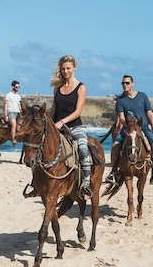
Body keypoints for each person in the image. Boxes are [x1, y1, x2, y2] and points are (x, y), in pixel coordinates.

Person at [105, 75, 153, 184]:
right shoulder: (121, 101)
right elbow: (121, 117)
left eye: (127, 83)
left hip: (143, 127)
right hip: (128, 128)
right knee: (115, 145)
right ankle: (113, 172)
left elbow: (150, 113)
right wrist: (127, 125)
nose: (125, 85)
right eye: (123, 83)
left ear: (132, 84)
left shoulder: (142, 96)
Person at [49, 55, 92, 198]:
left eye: (68, 68)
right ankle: (36, 183)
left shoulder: (81, 87)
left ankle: (86, 182)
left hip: (74, 126)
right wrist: (47, 123)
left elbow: (77, 112)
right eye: (63, 69)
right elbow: (54, 109)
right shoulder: (57, 87)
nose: (65, 71)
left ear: (74, 68)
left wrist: (61, 122)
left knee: (83, 149)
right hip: (56, 127)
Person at [4, 80, 21, 147]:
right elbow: (6, 105)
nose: (18, 88)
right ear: (13, 87)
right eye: (16, 87)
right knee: (14, 124)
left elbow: (19, 105)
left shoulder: (18, 96)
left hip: (18, 112)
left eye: (19, 87)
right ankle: (13, 139)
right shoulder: (9, 95)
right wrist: (6, 115)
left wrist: (21, 111)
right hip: (11, 112)